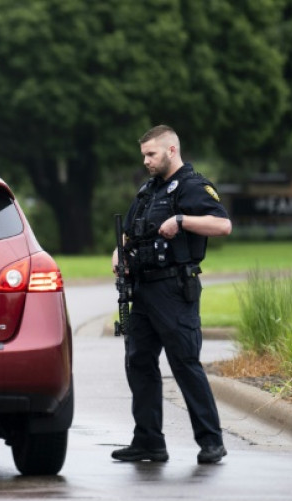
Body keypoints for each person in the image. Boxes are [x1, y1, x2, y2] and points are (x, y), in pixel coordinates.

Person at [111, 125, 232, 465]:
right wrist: (119, 254)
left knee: (184, 363)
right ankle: (149, 441)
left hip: (175, 290)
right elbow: (128, 234)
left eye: (151, 154)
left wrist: (182, 220)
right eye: (144, 155)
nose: (146, 161)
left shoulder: (192, 186)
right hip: (143, 291)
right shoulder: (148, 191)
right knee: (138, 362)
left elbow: (223, 225)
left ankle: (211, 441)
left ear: (172, 150)